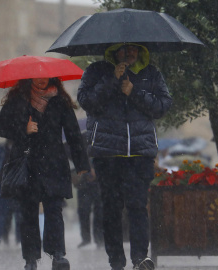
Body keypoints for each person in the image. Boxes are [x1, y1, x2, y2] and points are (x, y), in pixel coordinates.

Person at [77, 43, 172, 270]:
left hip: (140, 152)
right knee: (111, 207)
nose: (130, 54)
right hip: (108, 153)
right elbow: (86, 102)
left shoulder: (151, 73)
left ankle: (140, 257)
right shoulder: (96, 71)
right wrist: (111, 80)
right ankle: (116, 260)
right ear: (113, 51)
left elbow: (163, 105)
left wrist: (134, 92)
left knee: (138, 205)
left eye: (134, 49)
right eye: (124, 49)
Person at [0, 77, 90, 270]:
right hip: (27, 163)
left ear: (51, 77)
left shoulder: (59, 101)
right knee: (28, 213)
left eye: (44, 75)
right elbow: (1, 127)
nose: (41, 79)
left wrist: (81, 162)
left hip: (54, 163)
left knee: (54, 210)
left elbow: (72, 132)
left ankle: (57, 254)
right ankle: (30, 259)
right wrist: (24, 129)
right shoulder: (18, 99)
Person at [74, 158, 103, 249]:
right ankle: (86, 238)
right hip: (84, 183)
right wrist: (88, 171)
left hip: (98, 182)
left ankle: (99, 238)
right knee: (84, 211)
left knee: (99, 211)